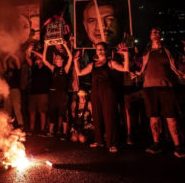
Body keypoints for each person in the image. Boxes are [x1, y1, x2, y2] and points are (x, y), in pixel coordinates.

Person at [135, 27, 185, 158]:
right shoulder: (146, 52)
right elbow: (137, 67)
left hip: (167, 89)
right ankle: (156, 143)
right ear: (150, 36)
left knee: (172, 118)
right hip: (149, 89)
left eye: (158, 32)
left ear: (161, 35)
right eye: (153, 32)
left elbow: (178, 67)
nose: (156, 33)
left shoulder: (168, 51)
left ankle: (178, 146)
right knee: (154, 118)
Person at [74, 42, 129, 153]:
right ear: (96, 51)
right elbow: (79, 73)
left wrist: (126, 55)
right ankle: (99, 141)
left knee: (109, 117)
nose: (100, 51)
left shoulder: (110, 62)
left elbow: (125, 69)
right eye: (98, 49)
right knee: (97, 116)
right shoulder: (93, 64)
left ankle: (112, 143)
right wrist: (75, 61)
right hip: (95, 92)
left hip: (108, 92)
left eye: (102, 49)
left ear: (106, 50)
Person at [42, 40, 72, 138]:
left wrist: (64, 45)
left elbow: (71, 57)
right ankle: (51, 131)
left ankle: (64, 133)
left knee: (63, 113)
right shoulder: (53, 68)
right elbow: (44, 60)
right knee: (52, 112)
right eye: (57, 59)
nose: (58, 60)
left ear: (62, 60)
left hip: (62, 94)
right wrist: (46, 46)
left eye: (60, 59)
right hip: (53, 94)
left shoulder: (65, 69)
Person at [25, 43, 52, 135]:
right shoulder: (34, 66)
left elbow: (43, 58)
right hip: (33, 92)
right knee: (32, 111)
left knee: (42, 112)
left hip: (43, 92)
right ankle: (32, 129)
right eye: (36, 57)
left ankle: (42, 130)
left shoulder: (46, 67)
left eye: (38, 57)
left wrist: (34, 51)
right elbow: (27, 58)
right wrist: (29, 50)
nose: (37, 58)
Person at [3, 53, 24, 128]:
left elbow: (17, 60)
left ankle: (21, 124)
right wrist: (9, 54)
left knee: (16, 107)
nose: (9, 63)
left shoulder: (17, 70)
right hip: (7, 90)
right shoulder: (7, 70)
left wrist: (12, 55)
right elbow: (4, 61)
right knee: (7, 108)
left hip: (15, 90)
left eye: (11, 62)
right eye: (9, 62)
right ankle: (8, 124)